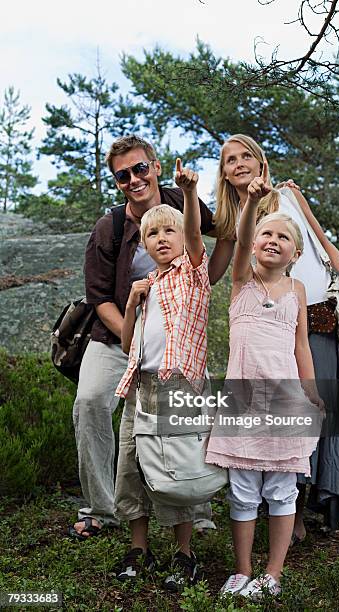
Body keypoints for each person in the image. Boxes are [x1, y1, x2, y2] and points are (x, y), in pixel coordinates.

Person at [210, 134, 339, 542]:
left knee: (316, 405)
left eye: (247, 156)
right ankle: (284, 508)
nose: (239, 163)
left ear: (261, 162)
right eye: (230, 160)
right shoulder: (232, 222)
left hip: (317, 314)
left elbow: (319, 238)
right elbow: (214, 273)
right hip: (273, 324)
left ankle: (312, 502)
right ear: (223, 173)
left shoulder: (286, 195)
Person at [69, 136, 215, 540]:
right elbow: (98, 298)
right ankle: (102, 508)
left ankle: (195, 508)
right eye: (122, 175)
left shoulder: (184, 203)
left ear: (156, 166)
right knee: (90, 403)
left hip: (175, 342)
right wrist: (131, 338)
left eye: (140, 168)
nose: (133, 179)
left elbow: (223, 235)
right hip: (117, 336)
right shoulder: (109, 226)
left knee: (183, 417)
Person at [206, 166, 322, 599]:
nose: (272, 241)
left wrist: (312, 396)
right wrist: (253, 201)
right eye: (266, 235)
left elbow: (302, 348)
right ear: (254, 244)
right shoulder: (241, 282)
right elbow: (238, 240)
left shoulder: (296, 291)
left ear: (294, 253)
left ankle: (272, 573)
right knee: (242, 490)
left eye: (283, 238)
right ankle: (241, 570)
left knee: (280, 489)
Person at [114, 160, 212, 590]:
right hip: (141, 386)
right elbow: (126, 345)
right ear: (145, 246)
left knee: (178, 469)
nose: (161, 239)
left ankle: (184, 553)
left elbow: (194, 236)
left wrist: (189, 194)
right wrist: (134, 303)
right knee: (131, 465)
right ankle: (139, 548)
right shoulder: (147, 284)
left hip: (178, 387)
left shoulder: (192, 274)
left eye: (168, 231)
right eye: (152, 234)